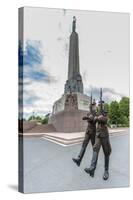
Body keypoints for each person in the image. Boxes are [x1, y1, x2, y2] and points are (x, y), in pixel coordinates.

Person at [84, 89, 111, 180]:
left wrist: (99, 117)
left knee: (106, 153)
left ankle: (106, 171)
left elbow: (105, 119)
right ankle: (92, 168)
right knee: (95, 150)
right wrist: (90, 117)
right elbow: (94, 120)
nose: (99, 104)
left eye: (100, 103)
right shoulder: (96, 113)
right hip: (98, 135)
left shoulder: (105, 112)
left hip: (105, 136)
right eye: (98, 104)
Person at [72, 96, 97, 167]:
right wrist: (88, 117)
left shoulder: (96, 113)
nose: (92, 107)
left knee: (94, 148)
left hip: (93, 132)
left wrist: (90, 118)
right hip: (88, 131)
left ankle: (93, 165)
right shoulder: (89, 113)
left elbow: (93, 120)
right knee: (84, 145)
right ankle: (78, 159)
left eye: (93, 106)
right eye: (92, 106)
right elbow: (86, 118)